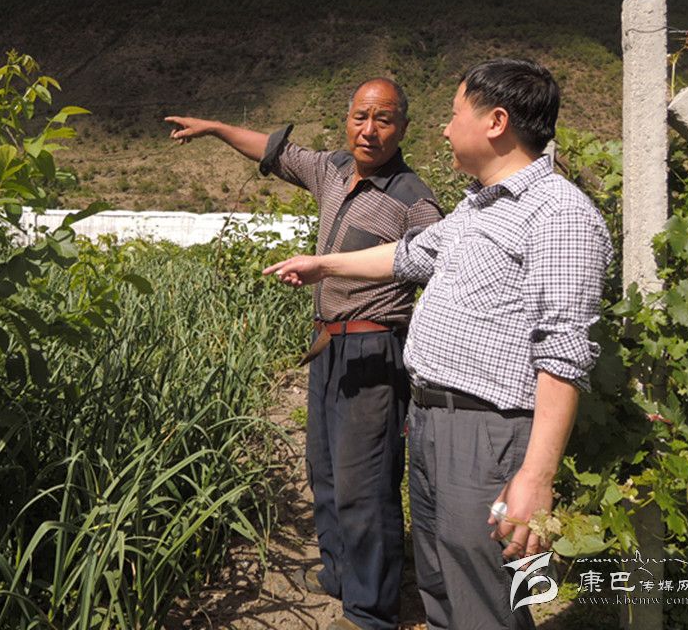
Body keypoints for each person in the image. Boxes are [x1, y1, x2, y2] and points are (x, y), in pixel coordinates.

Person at [264, 59, 612, 630]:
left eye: (454, 114)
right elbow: (407, 255)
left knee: (484, 592)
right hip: (431, 420)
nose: (445, 129)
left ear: (496, 122)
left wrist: (536, 476)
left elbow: (563, 352)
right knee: (441, 585)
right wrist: (323, 264)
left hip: (486, 433)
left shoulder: (559, 215)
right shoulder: (479, 207)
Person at [165, 78, 442, 630]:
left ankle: (369, 612)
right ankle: (338, 574)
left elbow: (442, 267)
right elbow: (276, 151)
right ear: (347, 119)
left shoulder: (415, 200)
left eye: (383, 119)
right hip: (327, 346)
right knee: (326, 472)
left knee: (366, 484)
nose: (369, 130)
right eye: (361, 116)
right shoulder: (333, 170)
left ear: (403, 129)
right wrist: (216, 128)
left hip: (374, 349)